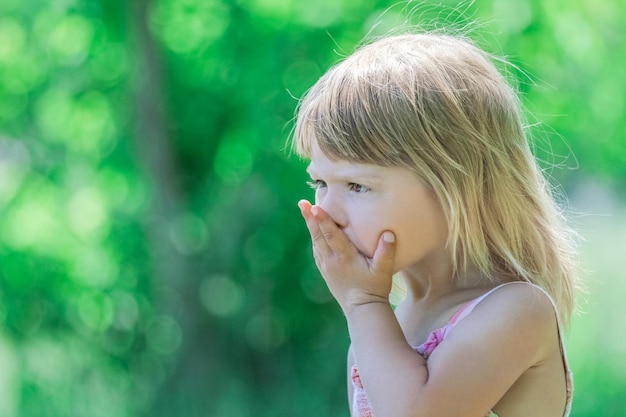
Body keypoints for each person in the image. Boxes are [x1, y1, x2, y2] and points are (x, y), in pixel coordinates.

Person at [292, 33, 576, 417]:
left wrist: (363, 304)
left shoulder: (518, 311)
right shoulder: (378, 329)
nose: (327, 211)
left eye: (358, 185)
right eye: (320, 183)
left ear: (454, 186)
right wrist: (366, 309)